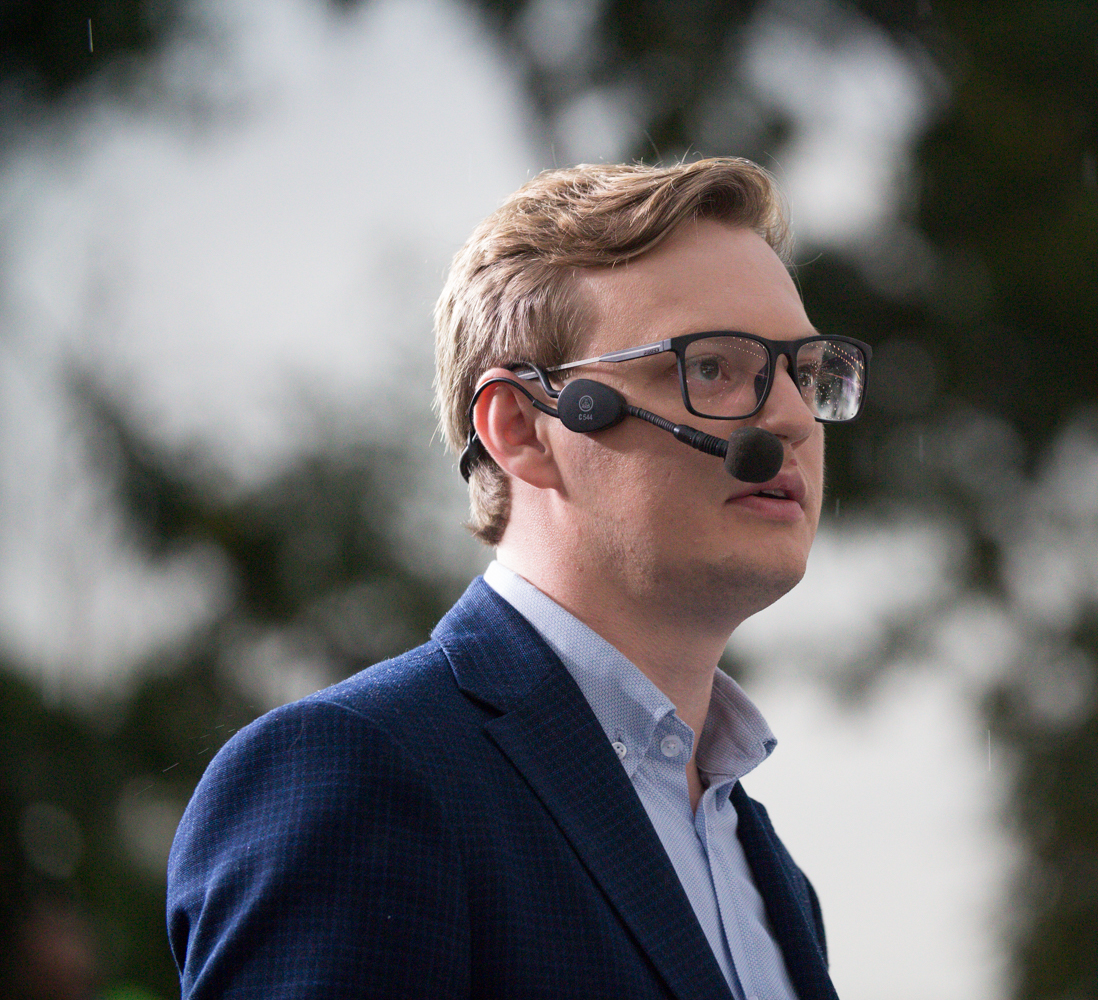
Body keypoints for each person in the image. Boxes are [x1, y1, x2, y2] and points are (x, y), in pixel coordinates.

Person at [166, 157, 871, 999]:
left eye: (803, 372)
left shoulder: (775, 882)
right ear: (522, 427)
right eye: (714, 366)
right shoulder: (359, 775)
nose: (792, 417)